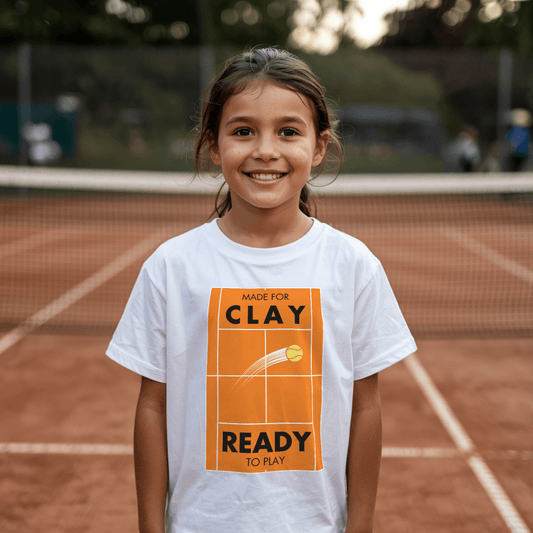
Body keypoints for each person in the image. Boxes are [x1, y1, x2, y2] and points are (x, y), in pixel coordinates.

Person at [106, 48, 417, 533]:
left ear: (318, 147)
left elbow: (365, 406)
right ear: (214, 145)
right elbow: (152, 406)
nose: (265, 150)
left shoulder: (354, 265)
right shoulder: (171, 265)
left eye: (288, 131)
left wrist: (360, 526)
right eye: (243, 130)